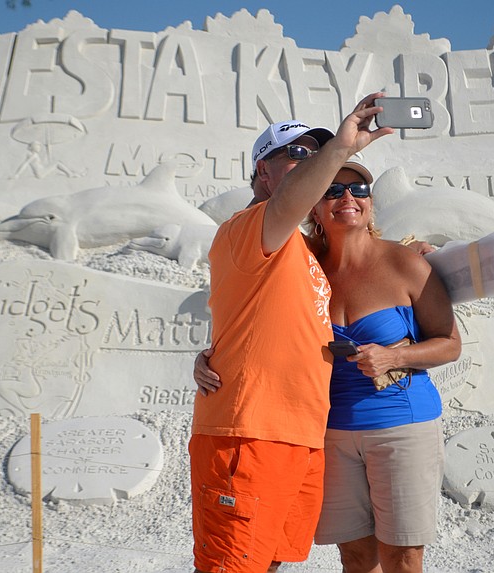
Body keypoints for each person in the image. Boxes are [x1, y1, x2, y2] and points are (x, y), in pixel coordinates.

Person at [195, 153, 462, 572]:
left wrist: (397, 354)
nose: (348, 197)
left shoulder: (406, 262)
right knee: (355, 555)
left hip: (401, 423)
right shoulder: (302, 264)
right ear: (313, 206)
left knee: (403, 555)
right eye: (332, 190)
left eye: (359, 189)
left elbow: (449, 343)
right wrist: (212, 356)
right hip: (330, 432)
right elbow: (248, 305)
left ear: (371, 201)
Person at [190, 92, 392, 573]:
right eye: (298, 154)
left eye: (315, 152)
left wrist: (410, 250)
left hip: (300, 433)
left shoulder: (298, 248)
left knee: (271, 562)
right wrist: (340, 148)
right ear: (262, 173)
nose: (312, 162)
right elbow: (287, 203)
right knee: (232, 566)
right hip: (250, 432)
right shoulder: (247, 225)